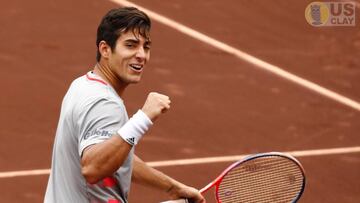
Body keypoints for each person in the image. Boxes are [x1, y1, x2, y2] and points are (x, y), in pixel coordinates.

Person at [44, 7, 205, 203]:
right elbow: (93, 168)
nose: (141, 55)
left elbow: (116, 159)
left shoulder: (82, 85)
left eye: (146, 47)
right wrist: (143, 118)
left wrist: (172, 187)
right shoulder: (105, 103)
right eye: (131, 45)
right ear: (105, 49)